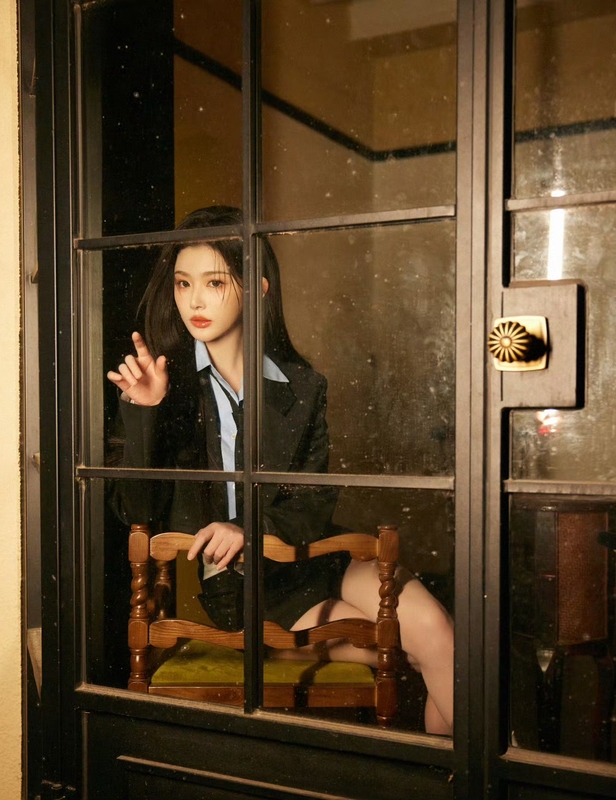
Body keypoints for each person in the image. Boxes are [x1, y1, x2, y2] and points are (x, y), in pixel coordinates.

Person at [108, 206, 453, 735]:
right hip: (251, 591)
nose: (194, 301)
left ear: (258, 288)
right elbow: (136, 511)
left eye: (214, 282)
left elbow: (313, 503)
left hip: (313, 555)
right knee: (410, 651)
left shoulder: (303, 386)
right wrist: (145, 412)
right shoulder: (162, 386)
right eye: (182, 283)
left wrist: (251, 527)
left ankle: (461, 772)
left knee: (440, 637)